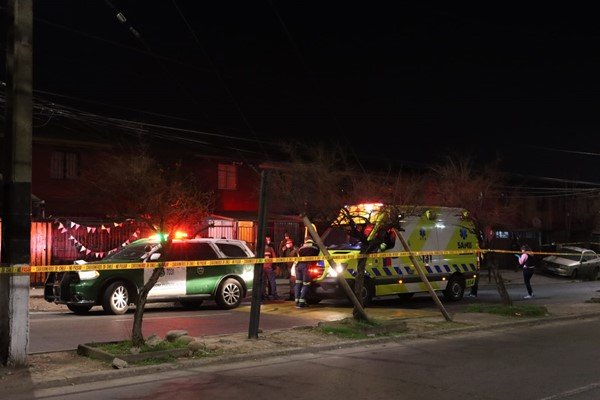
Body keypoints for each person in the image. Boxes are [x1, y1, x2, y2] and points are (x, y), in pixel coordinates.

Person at [294, 237, 320, 308]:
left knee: (298, 283)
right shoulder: (315, 246)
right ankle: (302, 302)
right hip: (307, 266)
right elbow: (318, 255)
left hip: (298, 266)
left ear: (305, 240)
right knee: (306, 284)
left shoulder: (301, 247)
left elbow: (299, 255)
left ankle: (297, 301)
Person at [262, 235, 279, 300]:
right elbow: (274, 258)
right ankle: (274, 294)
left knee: (263, 282)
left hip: (262, 268)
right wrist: (274, 266)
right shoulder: (270, 249)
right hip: (269, 268)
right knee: (272, 281)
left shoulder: (260, 250)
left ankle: (263, 295)